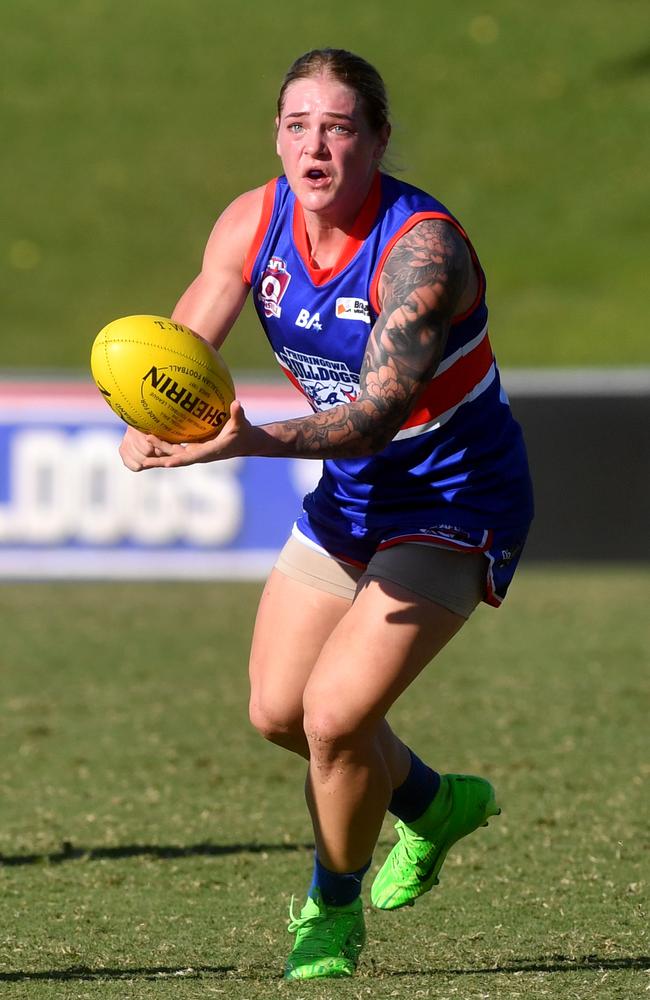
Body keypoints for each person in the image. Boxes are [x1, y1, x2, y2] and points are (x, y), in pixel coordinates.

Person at [119, 48, 534, 981]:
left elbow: (376, 412)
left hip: (454, 497)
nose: (316, 145)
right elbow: (181, 348)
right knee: (278, 711)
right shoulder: (252, 222)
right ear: (277, 134)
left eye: (340, 127)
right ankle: (433, 804)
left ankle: (330, 911)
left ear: (378, 141)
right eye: (298, 124)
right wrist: (142, 420)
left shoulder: (423, 249)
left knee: (337, 717)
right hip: (354, 499)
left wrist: (250, 443)